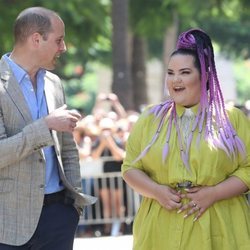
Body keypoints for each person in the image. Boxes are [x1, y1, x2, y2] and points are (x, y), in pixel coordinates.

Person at [122, 28, 250, 250]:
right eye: (170, 73)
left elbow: (248, 169)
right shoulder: (150, 119)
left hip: (219, 224)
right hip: (160, 227)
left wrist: (214, 193)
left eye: (184, 72)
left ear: (205, 75)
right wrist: (157, 192)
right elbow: (130, 168)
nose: (175, 80)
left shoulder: (231, 118)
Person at [0, 7, 97, 250]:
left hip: (59, 216)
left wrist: (74, 205)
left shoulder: (54, 83)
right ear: (36, 39)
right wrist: (44, 126)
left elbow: (68, 148)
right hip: (9, 224)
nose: (63, 48)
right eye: (59, 40)